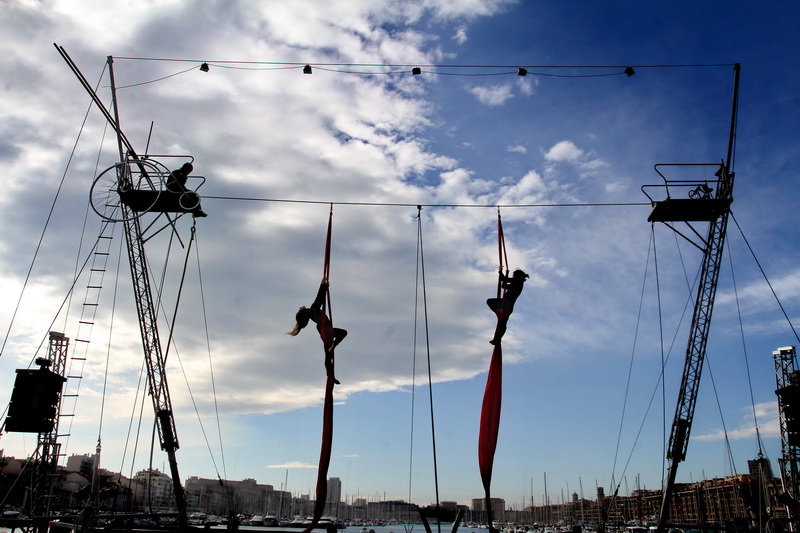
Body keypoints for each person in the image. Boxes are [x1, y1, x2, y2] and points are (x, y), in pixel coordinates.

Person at [288, 280, 347, 384]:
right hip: (326, 329)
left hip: (323, 331)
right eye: (300, 309)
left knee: (328, 355)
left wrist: (323, 286)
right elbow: (319, 298)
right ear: (303, 312)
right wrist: (323, 285)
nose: (300, 306)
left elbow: (319, 298)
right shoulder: (313, 309)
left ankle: (330, 375)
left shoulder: (311, 314)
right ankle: (334, 346)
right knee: (343, 333)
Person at [486, 269, 529, 345]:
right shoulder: (516, 284)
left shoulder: (518, 281)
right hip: (509, 306)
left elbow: (504, 279)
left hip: (506, 303)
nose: (512, 276)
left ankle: (497, 312)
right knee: (502, 323)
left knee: (490, 301)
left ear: (517, 276)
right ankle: (497, 339)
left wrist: (500, 271)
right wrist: (505, 274)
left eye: (513, 275)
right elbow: (503, 285)